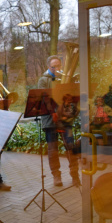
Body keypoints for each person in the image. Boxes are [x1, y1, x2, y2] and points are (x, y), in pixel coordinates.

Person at [37, 55, 80, 187]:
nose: (56, 68)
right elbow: (44, 98)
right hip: (50, 119)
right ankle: (56, 176)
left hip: (64, 119)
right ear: (48, 67)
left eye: (58, 66)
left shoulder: (64, 79)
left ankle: (75, 176)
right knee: (52, 149)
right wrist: (53, 112)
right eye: (53, 66)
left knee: (70, 147)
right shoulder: (43, 80)